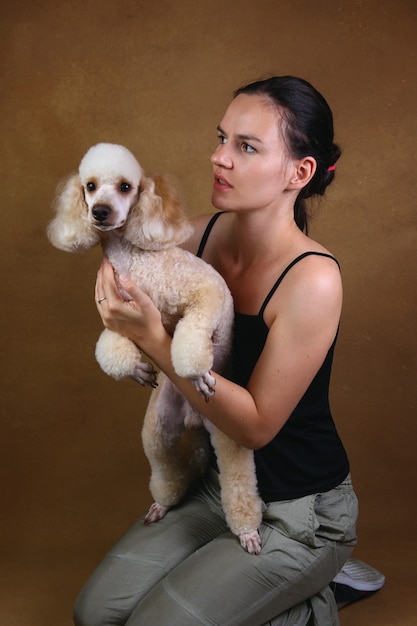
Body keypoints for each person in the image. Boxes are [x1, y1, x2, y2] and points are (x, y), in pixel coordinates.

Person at [73, 76, 381, 625]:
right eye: (222, 138)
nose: (219, 158)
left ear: (300, 172)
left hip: (298, 510)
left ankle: (316, 584)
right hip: (220, 485)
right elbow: (129, 243)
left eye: (246, 147)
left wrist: (151, 340)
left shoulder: (313, 279)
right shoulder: (201, 235)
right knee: (95, 615)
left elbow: (256, 427)